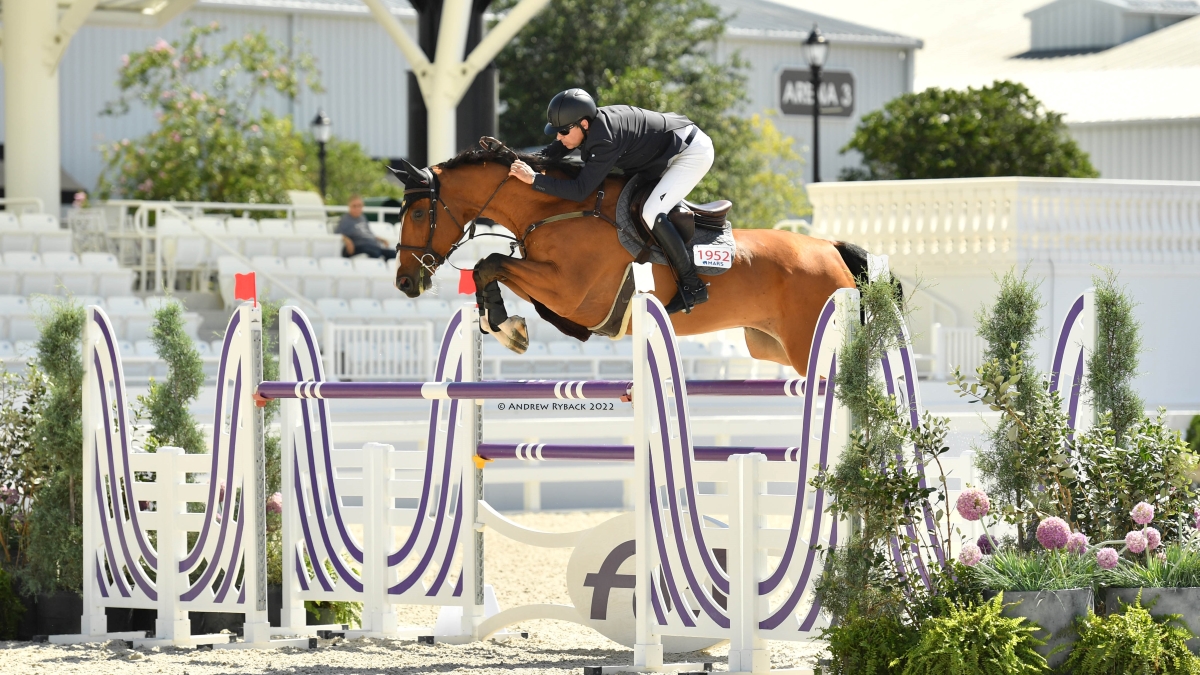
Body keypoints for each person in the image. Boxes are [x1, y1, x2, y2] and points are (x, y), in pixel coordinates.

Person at [507, 88, 713, 313]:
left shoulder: (605, 138)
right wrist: (519, 161)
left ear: (583, 125)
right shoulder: (589, 125)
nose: (559, 137)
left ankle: (693, 286)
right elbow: (556, 150)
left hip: (690, 154)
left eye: (563, 131)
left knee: (651, 212)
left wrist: (534, 179)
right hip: (663, 152)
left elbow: (580, 191)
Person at [336, 195, 396, 260]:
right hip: (358, 246)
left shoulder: (363, 217)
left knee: (394, 254)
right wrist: (347, 241)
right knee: (374, 253)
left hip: (372, 245)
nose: (357, 208)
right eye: (354, 206)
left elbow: (367, 233)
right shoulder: (345, 219)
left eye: (359, 206)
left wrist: (382, 239)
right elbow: (337, 234)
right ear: (349, 207)